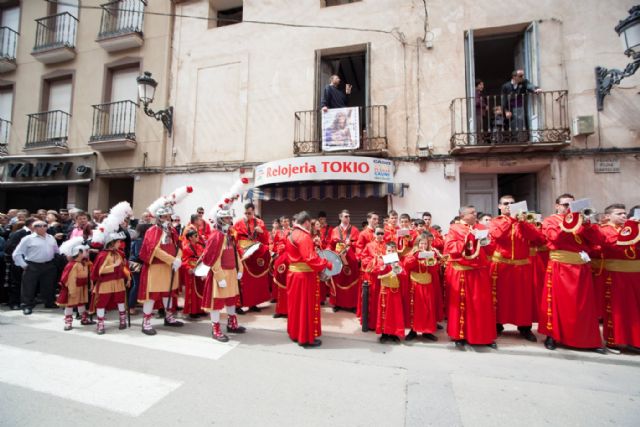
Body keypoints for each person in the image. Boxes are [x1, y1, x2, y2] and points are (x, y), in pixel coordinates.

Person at [538, 194, 605, 353]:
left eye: (571, 205)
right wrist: (570, 222)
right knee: (557, 303)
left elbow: (597, 240)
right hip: (560, 266)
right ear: (557, 206)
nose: (569, 207)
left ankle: (587, 340)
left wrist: (588, 224)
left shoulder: (582, 221)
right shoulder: (550, 221)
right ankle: (552, 336)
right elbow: (555, 238)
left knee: (584, 306)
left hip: (581, 268)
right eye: (565, 204)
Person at [489, 195, 543, 342]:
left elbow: (537, 237)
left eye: (512, 203)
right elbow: (498, 235)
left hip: (521, 265)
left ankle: (525, 327)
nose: (509, 206)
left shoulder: (524, 222)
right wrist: (512, 220)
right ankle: (497, 325)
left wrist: (523, 223)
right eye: (506, 203)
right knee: (499, 297)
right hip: (501, 265)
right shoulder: (495, 221)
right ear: (500, 206)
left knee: (523, 299)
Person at [444, 205, 497, 350]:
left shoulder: (481, 227)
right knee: (461, 306)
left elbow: (491, 248)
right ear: (462, 215)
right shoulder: (455, 228)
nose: (475, 214)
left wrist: (486, 241)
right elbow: (449, 247)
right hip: (462, 271)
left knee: (482, 305)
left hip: (479, 271)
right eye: (472, 213)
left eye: (475, 212)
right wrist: (468, 239)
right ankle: (459, 336)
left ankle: (484, 336)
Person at [285, 211, 331, 347]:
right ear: (306, 222)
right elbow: (310, 259)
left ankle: (295, 333)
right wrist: (326, 263)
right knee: (306, 306)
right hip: (304, 277)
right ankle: (305, 338)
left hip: (293, 274)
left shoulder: (292, 234)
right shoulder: (304, 236)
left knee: (295, 306)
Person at [201, 208, 246, 342]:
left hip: (231, 272)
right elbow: (213, 259)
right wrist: (220, 277)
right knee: (216, 303)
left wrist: (240, 269)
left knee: (231, 300)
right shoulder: (216, 236)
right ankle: (215, 329)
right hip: (219, 273)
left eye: (229, 218)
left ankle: (232, 323)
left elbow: (235, 253)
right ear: (220, 220)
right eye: (226, 218)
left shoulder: (229, 235)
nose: (229, 220)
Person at [599, 204, 640, 353]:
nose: (624, 216)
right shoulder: (604, 229)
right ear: (608, 216)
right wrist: (632, 229)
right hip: (616, 275)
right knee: (617, 310)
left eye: (625, 214)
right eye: (619, 214)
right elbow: (614, 244)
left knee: (635, 310)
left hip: (636, 274)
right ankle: (613, 341)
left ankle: (635, 341)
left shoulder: (632, 228)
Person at [138, 205, 184, 335]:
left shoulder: (172, 231)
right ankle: (146, 322)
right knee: (152, 295)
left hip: (170, 267)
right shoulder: (152, 231)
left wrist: (178, 258)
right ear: (158, 217)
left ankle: (169, 317)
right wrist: (172, 259)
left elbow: (178, 246)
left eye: (169, 216)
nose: (167, 218)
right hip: (157, 267)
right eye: (164, 216)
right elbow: (154, 250)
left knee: (168, 293)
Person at [12, 220, 59, 314]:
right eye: (38, 225)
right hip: (33, 264)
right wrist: (23, 265)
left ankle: (49, 302)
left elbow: (56, 251)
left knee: (48, 285)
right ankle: (26, 305)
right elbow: (16, 253)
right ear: (33, 228)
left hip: (48, 264)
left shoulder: (51, 238)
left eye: (44, 225)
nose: (42, 227)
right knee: (28, 287)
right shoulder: (28, 239)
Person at [233, 202, 271, 313]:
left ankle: (253, 303)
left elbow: (265, 239)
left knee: (255, 281)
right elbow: (235, 239)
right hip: (243, 254)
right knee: (242, 280)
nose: (247, 215)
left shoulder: (260, 222)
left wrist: (262, 232)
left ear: (254, 211)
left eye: (249, 213)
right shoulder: (239, 222)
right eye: (245, 213)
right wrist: (240, 252)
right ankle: (238, 305)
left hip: (254, 253)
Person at [91, 232, 130, 334]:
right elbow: (99, 270)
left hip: (119, 281)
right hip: (105, 283)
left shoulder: (120, 253)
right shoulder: (102, 255)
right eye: (118, 242)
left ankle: (122, 320)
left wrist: (128, 276)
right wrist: (114, 265)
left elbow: (124, 267)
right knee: (101, 302)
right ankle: (100, 324)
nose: (120, 244)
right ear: (111, 243)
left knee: (121, 300)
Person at [403, 234, 440, 341]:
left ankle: (427, 331)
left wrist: (433, 260)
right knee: (414, 307)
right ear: (417, 244)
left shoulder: (431, 253)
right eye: (421, 243)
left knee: (428, 308)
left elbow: (434, 270)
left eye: (425, 243)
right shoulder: (412, 253)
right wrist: (417, 256)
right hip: (415, 284)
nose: (423, 245)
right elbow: (407, 265)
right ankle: (413, 331)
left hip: (428, 284)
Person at [56, 237, 94, 330]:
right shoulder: (72, 265)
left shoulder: (83, 263)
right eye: (85, 251)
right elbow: (70, 279)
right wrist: (72, 290)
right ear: (79, 253)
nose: (87, 252)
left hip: (82, 286)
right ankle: (68, 322)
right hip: (73, 288)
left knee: (81, 303)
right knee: (70, 304)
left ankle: (84, 319)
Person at [375, 241, 407, 343]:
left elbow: (404, 274)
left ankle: (394, 333)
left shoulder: (399, 262)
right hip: (385, 289)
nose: (391, 252)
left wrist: (397, 268)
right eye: (389, 250)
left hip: (395, 290)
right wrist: (383, 267)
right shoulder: (382, 261)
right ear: (386, 251)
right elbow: (375, 271)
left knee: (395, 312)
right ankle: (384, 333)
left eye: (393, 251)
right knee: (384, 311)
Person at [329, 209, 360, 312]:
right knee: (337, 279)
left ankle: (352, 305)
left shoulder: (355, 230)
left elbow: (358, 245)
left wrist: (351, 244)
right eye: (345, 216)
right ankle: (337, 304)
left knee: (351, 281)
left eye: (349, 216)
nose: (347, 218)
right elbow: (330, 244)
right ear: (340, 217)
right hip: (338, 259)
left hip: (350, 260)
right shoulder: (334, 230)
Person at [500, 69, 541, 142]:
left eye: (523, 75)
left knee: (521, 123)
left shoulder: (524, 82)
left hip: (520, 107)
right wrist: (506, 111)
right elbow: (504, 99)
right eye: (521, 76)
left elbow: (530, 86)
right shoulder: (506, 86)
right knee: (513, 125)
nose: (522, 77)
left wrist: (536, 89)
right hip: (510, 108)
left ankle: (521, 140)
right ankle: (514, 140)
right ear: (514, 77)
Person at [4, 217, 36, 310]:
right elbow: (9, 248)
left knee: (28, 284)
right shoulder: (19, 233)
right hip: (18, 262)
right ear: (31, 225)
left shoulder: (35, 235)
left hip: (31, 263)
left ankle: (26, 302)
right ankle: (14, 302)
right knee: (16, 283)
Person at [359, 226, 386, 331]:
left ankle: (382, 323)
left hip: (383, 277)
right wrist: (375, 260)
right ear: (374, 234)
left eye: (382, 233)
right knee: (371, 299)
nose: (380, 235)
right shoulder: (369, 245)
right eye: (378, 233)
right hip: (372, 277)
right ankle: (370, 324)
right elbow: (363, 258)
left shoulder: (387, 246)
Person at [181, 229, 206, 318]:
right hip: (191, 271)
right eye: (195, 236)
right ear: (190, 238)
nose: (197, 237)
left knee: (201, 290)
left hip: (200, 270)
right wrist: (189, 268)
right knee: (192, 292)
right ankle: (192, 311)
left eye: (197, 235)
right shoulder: (186, 248)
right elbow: (184, 260)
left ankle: (201, 309)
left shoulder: (200, 246)